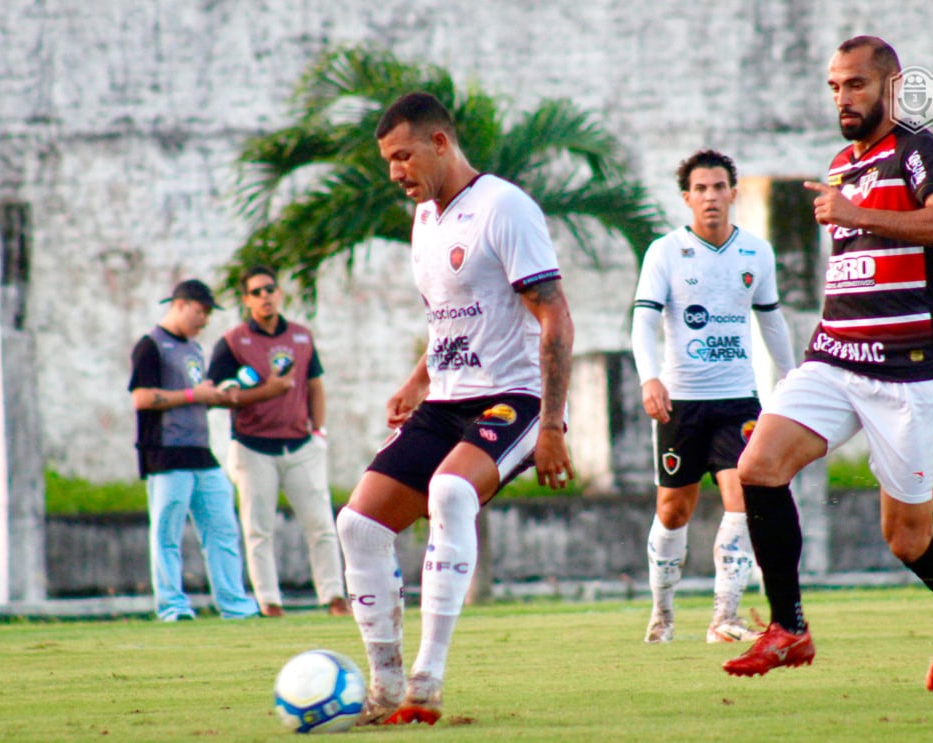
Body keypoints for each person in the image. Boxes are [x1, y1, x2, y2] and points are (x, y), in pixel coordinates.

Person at [723, 36, 933, 692]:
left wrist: (853, 212)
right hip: (837, 356)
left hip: (908, 371)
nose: (843, 97)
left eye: (856, 85)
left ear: (890, 86)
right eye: (835, 86)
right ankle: (789, 626)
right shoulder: (843, 161)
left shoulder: (917, 149)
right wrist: (849, 211)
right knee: (757, 465)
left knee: (906, 539)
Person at [337, 91, 574, 726]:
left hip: (516, 399)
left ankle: (426, 681)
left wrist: (551, 424)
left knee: (449, 491)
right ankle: (383, 687)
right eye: (388, 161)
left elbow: (554, 317)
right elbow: (450, 317)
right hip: (445, 400)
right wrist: (418, 379)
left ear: (440, 143)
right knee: (356, 526)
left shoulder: (505, 207)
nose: (395, 173)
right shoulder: (425, 221)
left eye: (403, 156)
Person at [631, 149, 797, 645]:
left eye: (718, 187)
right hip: (680, 403)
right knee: (673, 512)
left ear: (733, 193)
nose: (710, 197)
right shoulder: (665, 252)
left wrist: (790, 383)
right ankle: (661, 615)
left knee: (743, 497)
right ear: (687, 198)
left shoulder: (756, 253)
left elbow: (771, 321)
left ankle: (724, 617)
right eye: (700, 189)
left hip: (738, 401)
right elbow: (642, 320)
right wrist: (649, 378)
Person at [208, 266, 348, 617]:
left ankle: (334, 597)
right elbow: (217, 394)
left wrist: (319, 432)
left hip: (301, 444)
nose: (264, 296)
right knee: (258, 529)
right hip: (253, 446)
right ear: (246, 300)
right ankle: (269, 602)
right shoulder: (233, 341)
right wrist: (263, 392)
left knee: (321, 525)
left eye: (269, 289)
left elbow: (315, 385)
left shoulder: (301, 336)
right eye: (256, 292)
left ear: (279, 292)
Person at [127, 279, 261, 622]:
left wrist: (215, 397)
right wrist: (193, 396)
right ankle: (172, 606)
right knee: (167, 533)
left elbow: (196, 396)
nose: (203, 321)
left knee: (223, 527)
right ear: (180, 304)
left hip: (200, 451)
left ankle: (235, 605)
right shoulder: (150, 346)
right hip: (165, 453)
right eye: (200, 312)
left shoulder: (195, 349)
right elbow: (141, 398)